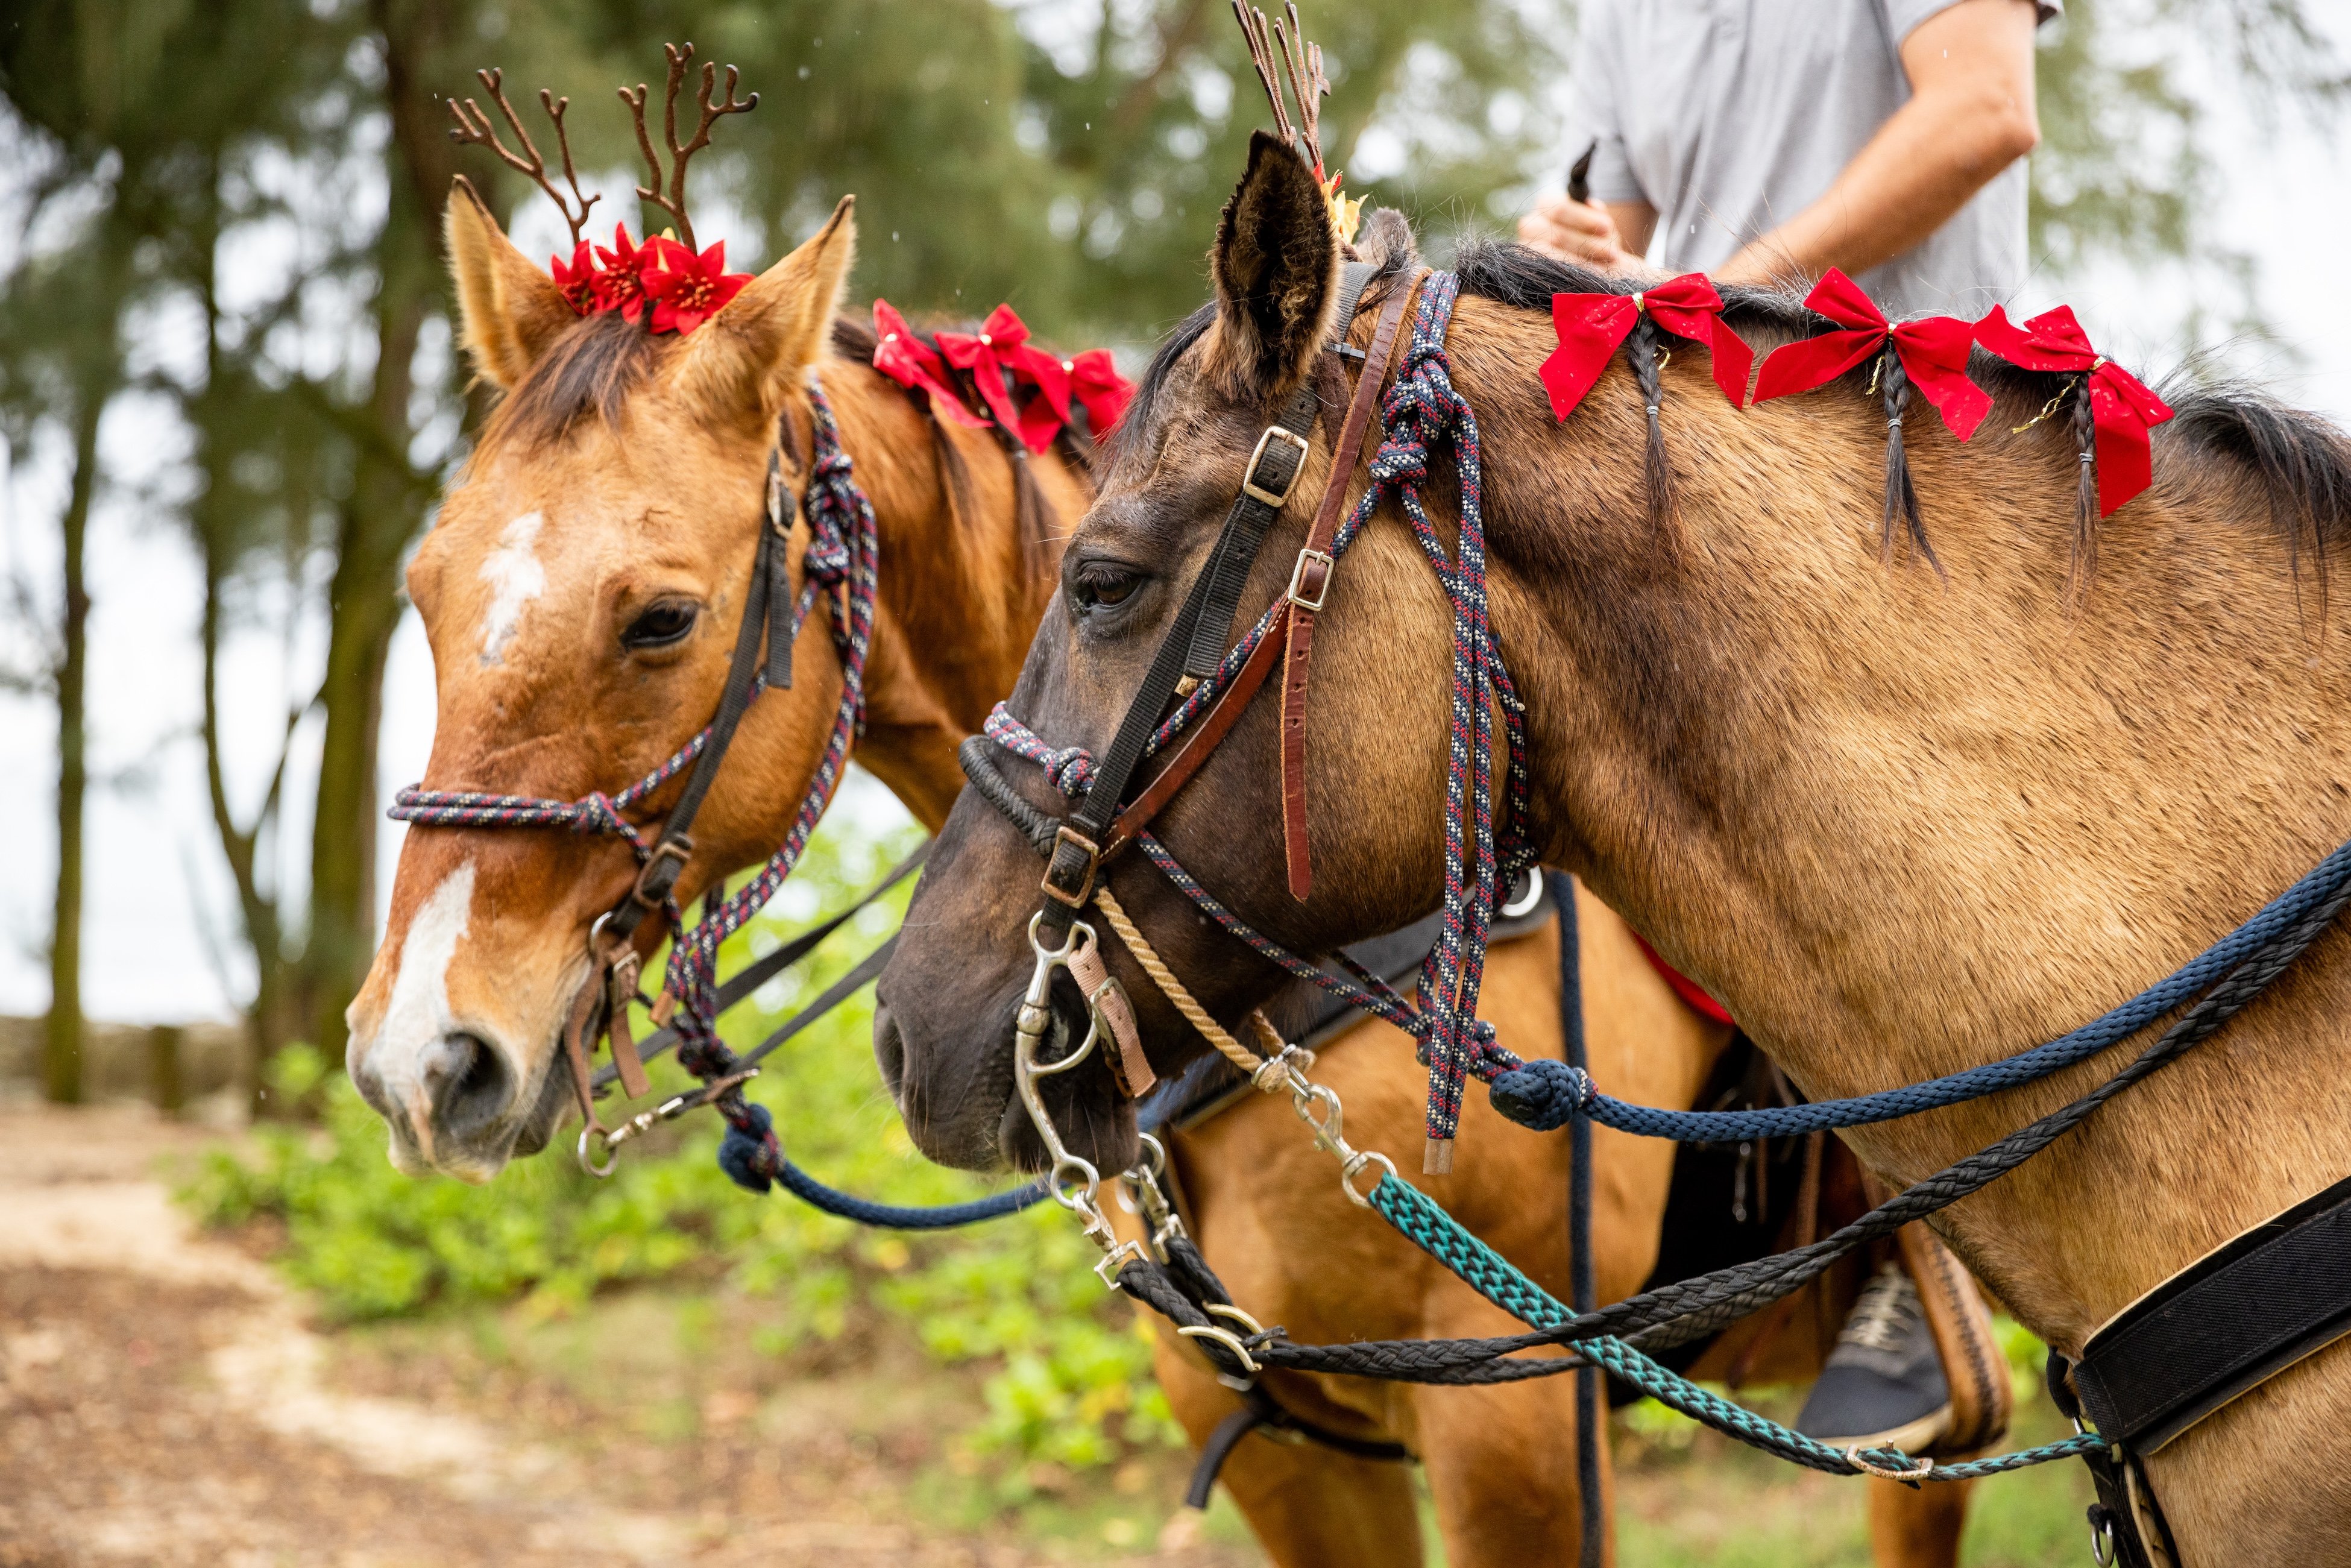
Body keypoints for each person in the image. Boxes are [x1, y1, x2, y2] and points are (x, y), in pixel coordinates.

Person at [1523, 0, 2062, 1455]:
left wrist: (1724, 284)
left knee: (1840, 809)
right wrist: (1566, 250)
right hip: (1699, 450)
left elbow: (1983, 110)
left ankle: (1919, 1250)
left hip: (1911, 443)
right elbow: (1606, 214)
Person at [1521, 0, 2057, 320]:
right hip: (1717, 442)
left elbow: (1986, 108)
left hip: (1920, 438)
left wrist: (1712, 302)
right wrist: (1566, 264)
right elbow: (1606, 261)